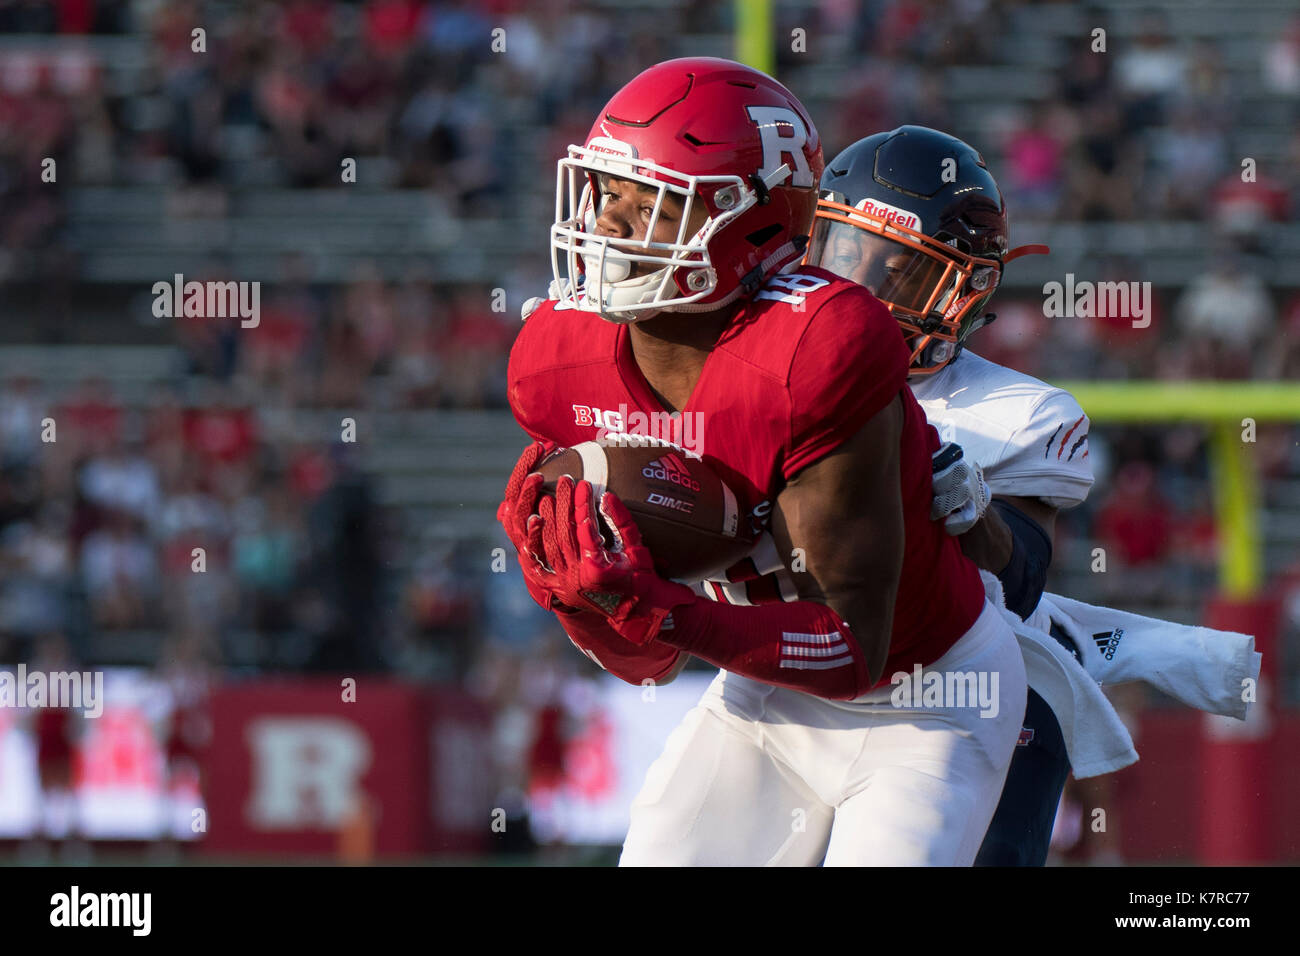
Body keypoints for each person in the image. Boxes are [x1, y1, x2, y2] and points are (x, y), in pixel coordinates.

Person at [498, 58, 1025, 865]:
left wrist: (668, 608)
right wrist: (581, 596)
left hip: (928, 695)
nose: (609, 226)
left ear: (751, 222)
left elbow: (854, 648)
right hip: (768, 690)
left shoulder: (819, 350)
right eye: (607, 193)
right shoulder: (558, 361)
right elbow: (648, 664)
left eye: (654, 203)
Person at [807, 125, 1259, 866]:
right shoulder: (768, 369)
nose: (855, 292)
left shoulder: (1020, 414)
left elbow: (1019, 581)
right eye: (840, 254)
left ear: (965, 289)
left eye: (897, 273)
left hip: (963, 702)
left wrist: (964, 502)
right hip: (804, 687)